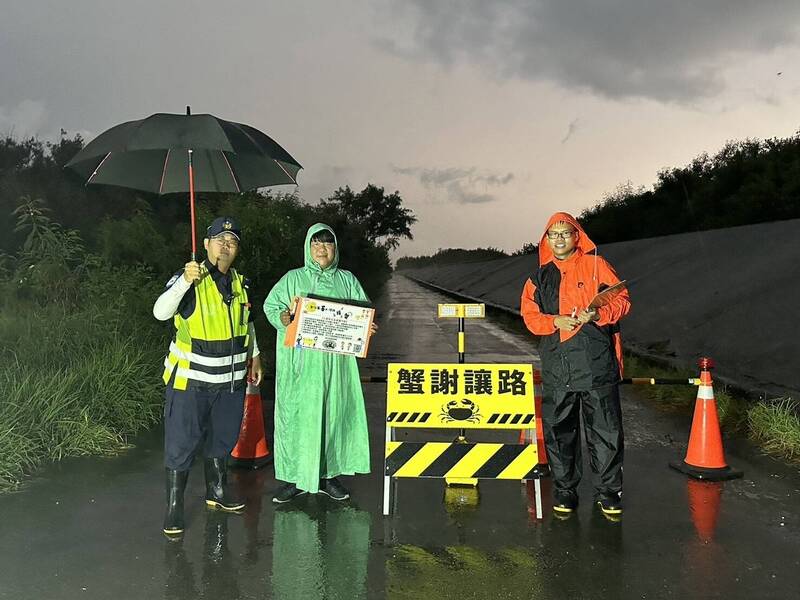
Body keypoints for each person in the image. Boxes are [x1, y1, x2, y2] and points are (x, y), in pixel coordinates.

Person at [153, 216, 262, 536]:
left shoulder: (242, 282)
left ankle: (217, 492)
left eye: (232, 242)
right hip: (190, 381)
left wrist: (254, 356)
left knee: (222, 439)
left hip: (228, 382)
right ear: (205, 244)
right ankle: (174, 507)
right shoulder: (189, 277)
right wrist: (185, 281)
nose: (226, 246)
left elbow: (248, 323)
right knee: (181, 443)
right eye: (219, 240)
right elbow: (161, 312)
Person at [520, 212, 630, 518]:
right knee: (559, 432)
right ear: (546, 240)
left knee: (605, 432)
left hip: (597, 365)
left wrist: (596, 315)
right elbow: (529, 316)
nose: (559, 239)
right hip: (558, 366)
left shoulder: (597, 265)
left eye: (565, 233)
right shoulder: (538, 278)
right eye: (553, 234)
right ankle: (565, 490)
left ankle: (608, 492)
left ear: (576, 236)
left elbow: (621, 301)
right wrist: (554, 320)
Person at [264, 223, 376, 504]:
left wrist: (367, 326)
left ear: (335, 248)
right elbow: (271, 306)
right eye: (315, 243)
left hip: (336, 367)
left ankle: (329, 476)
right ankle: (295, 478)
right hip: (300, 366)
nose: (321, 249)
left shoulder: (347, 280)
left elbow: (363, 310)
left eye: (327, 243)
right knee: (298, 419)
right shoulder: (292, 279)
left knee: (333, 417)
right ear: (307, 248)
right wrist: (284, 319)